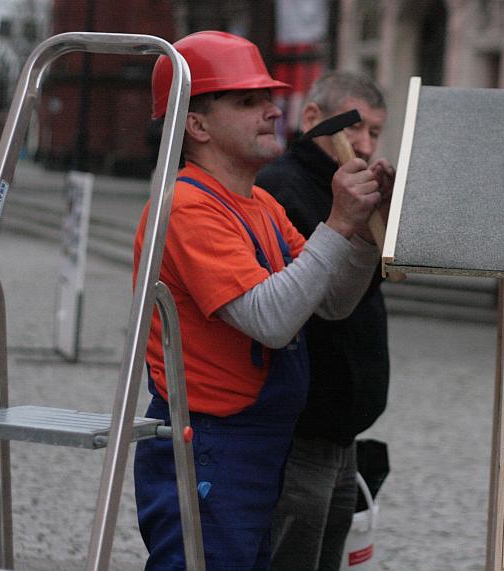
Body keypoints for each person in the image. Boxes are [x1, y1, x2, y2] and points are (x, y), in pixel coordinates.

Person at [132, 31, 395, 570]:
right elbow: (271, 320)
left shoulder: (261, 204)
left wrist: (364, 235)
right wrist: (339, 221)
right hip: (209, 444)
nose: (272, 111)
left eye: (268, 97)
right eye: (247, 101)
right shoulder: (186, 207)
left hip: (255, 443)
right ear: (196, 124)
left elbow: (332, 303)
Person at [256, 72, 390, 571]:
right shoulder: (281, 187)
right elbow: (312, 303)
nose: (364, 143)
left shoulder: (354, 191)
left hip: (342, 431)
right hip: (302, 427)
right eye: (356, 126)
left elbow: (358, 293)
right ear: (312, 118)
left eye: (375, 132)